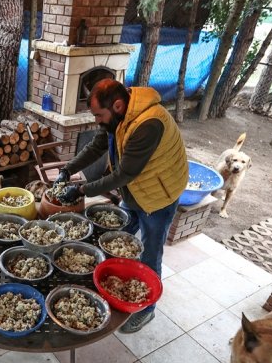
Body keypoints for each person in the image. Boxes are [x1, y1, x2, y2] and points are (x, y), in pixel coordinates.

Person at [56, 79, 188, 333]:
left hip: (158, 197)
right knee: (117, 239)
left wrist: (81, 190)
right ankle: (115, 286)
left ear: (117, 105)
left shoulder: (149, 123)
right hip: (136, 191)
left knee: (149, 254)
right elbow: (97, 146)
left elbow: (123, 174)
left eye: (99, 115)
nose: (97, 120)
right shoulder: (118, 116)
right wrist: (67, 170)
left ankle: (146, 311)